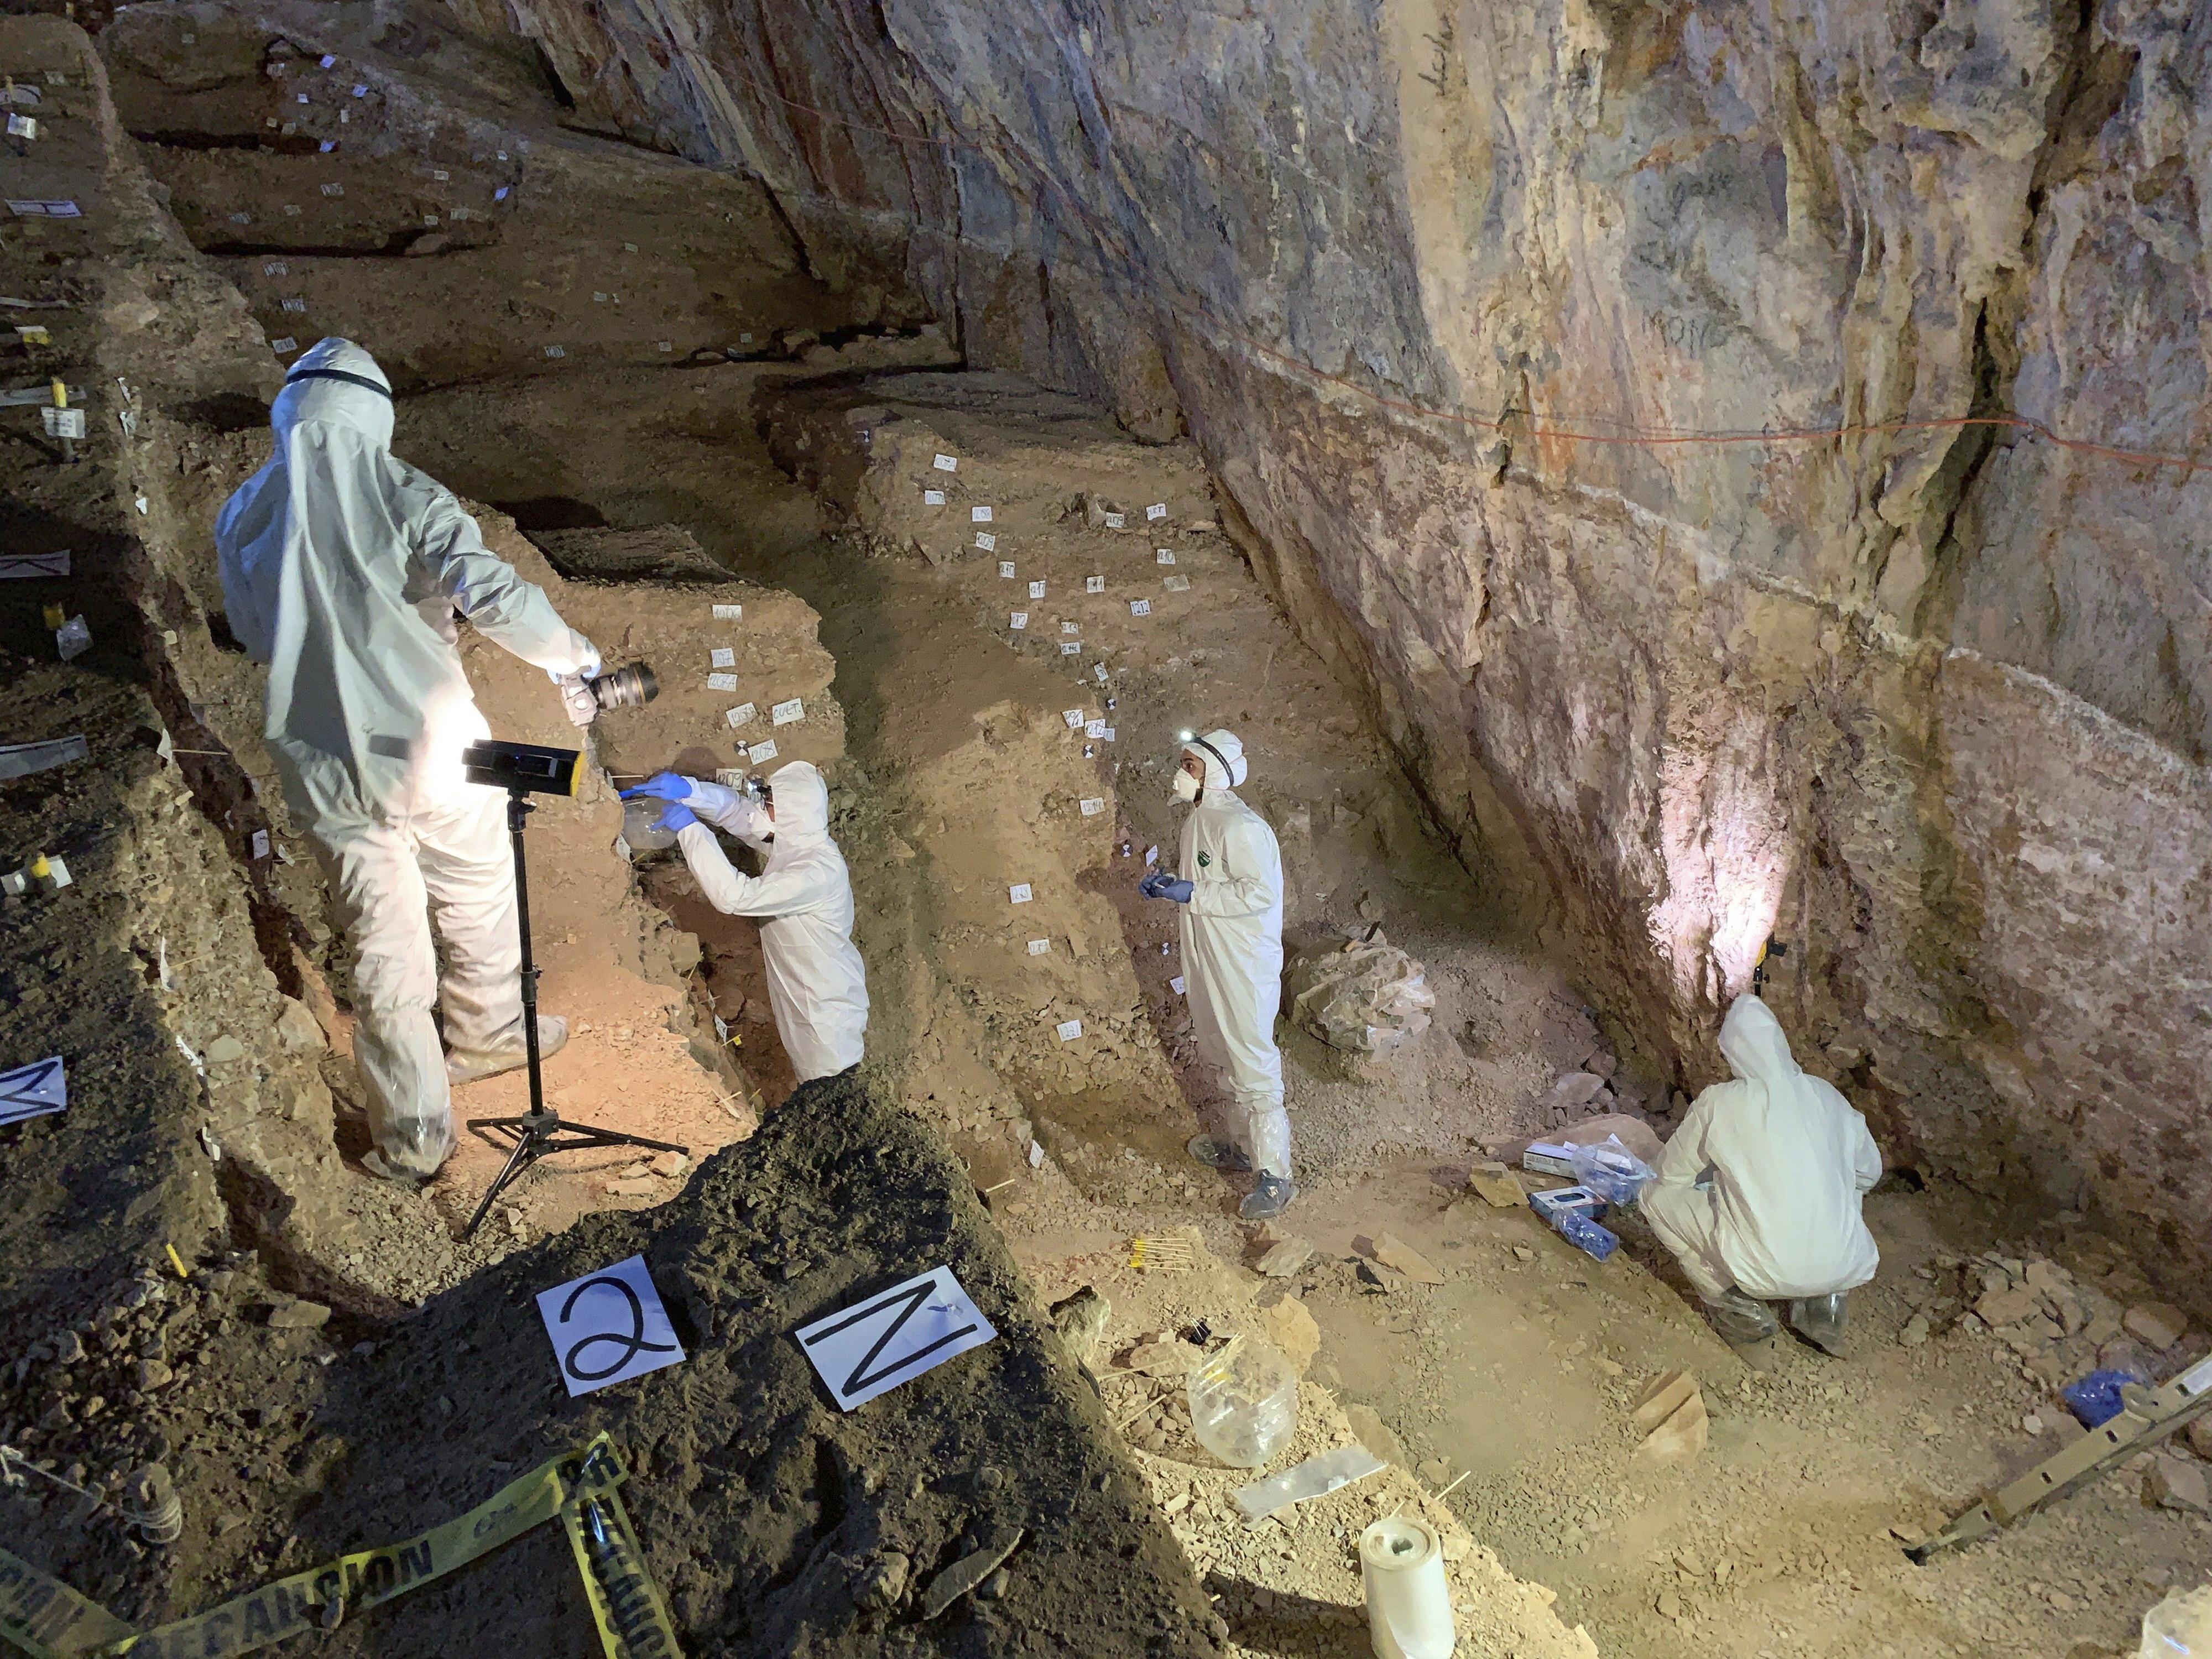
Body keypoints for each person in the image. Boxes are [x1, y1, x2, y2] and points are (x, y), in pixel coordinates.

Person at [215, 338, 603, 1187]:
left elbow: (248, 633)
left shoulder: (245, 511)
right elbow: (493, 595)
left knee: (381, 941)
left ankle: (416, 1135)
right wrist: (572, 655)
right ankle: (492, 1032)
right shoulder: (406, 495)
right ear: (373, 419)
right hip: (434, 748)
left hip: (323, 758)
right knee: (478, 884)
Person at [1641, 992, 1882, 1363]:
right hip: (1847, 1264)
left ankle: (1741, 1314)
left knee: (1654, 1198)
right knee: (1846, 1185)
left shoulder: (1719, 1102)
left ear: (1732, 1053)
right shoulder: (1827, 1096)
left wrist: (1723, 1185)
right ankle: (1824, 1310)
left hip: (1759, 1271)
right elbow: (1870, 1172)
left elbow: (1671, 1175)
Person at [620, 761, 867, 1082]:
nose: (761, 806)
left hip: (825, 1007)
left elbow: (734, 897)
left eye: (769, 802)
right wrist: (690, 790)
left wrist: (690, 830)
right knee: (808, 1075)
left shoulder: (816, 871)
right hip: (799, 989)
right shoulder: (796, 840)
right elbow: (740, 814)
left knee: (829, 1087)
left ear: (793, 813)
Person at [1140, 729, 1293, 1219]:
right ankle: (1240, 1147)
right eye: (1183, 764)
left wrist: (1193, 894)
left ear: (1217, 774)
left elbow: (1259, 895)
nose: (1182, 774)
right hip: (1207, 953)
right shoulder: (1197, 823)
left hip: (1243, 961)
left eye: (1191, 766)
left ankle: (1276, 1175)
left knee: (1250, 1057)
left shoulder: (1242, 828)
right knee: (1218, 1049)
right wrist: (1172, 884)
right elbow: (1205, 880)